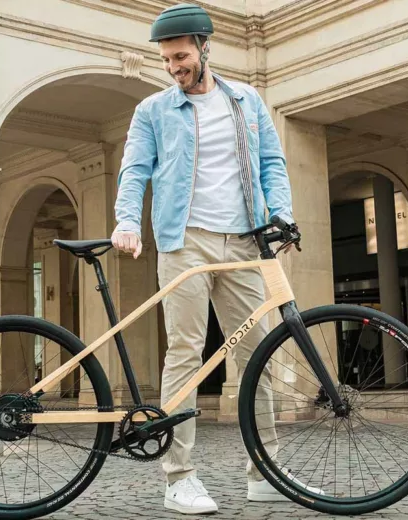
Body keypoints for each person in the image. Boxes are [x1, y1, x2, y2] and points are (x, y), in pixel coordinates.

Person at [112, 3, 295, 515]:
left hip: (243, 241)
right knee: (186, 353)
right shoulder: (153, 110)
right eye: (168, 60)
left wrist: (281, 214)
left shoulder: (246, 101)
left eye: (182, 56)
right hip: (184, 239)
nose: (174, 67)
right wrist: (127, 221)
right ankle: (180, 477)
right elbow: (134, 170)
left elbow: (272, 162)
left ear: (205, 47)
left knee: (256, 354)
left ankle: (266, 470)